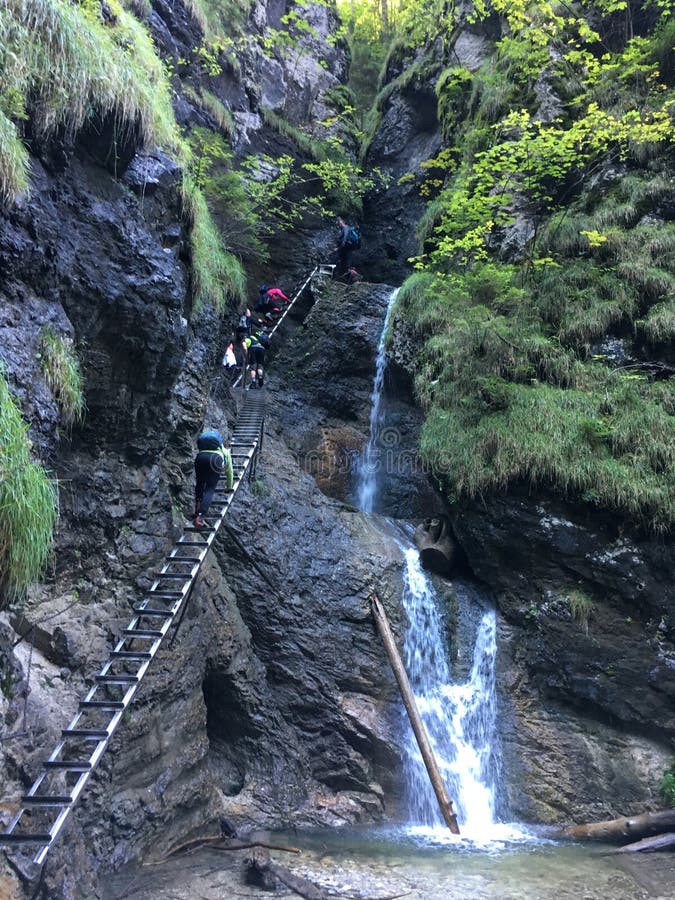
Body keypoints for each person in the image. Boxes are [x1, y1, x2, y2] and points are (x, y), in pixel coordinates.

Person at [193, 429, 234, 528]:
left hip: (200, 457)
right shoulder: (224, 451)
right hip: (215, 460)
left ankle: (197, 508)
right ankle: (200, 517)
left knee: (200, 483)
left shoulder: (203, 447)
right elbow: (229, 472)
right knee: (210, 489)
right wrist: (229, 487)